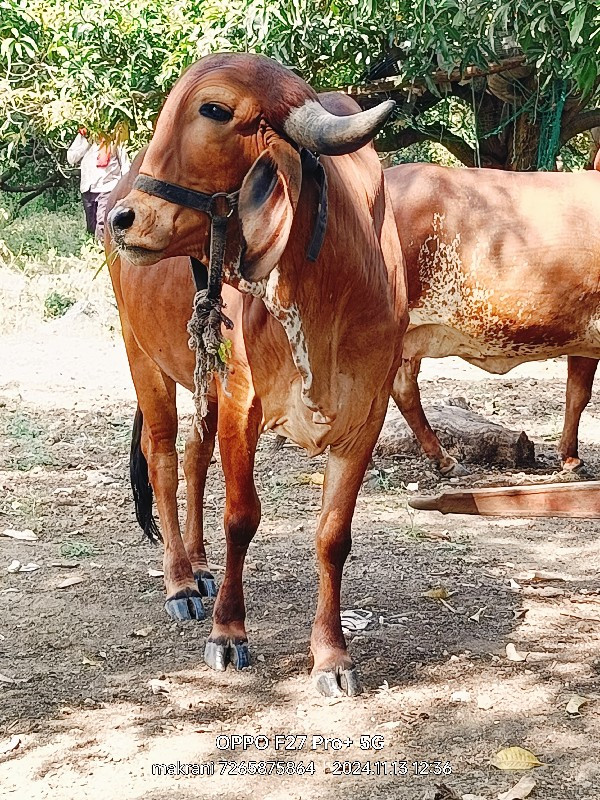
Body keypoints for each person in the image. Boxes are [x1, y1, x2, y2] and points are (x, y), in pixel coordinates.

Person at [67, 127, 130, 241]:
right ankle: (92, 248)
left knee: (102, 222)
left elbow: (125, 164)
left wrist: (125, 188)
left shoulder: (115, 138)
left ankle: (102, 249)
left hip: (108, 187)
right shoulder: (84, 135)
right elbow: (71, 158)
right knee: (91, 225)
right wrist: (86, 141)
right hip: (88, 188)